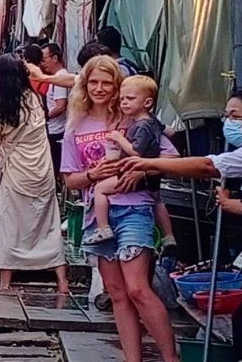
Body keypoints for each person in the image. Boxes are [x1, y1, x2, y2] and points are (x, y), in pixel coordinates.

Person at [123, 90, 242, 359]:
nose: (228, 121)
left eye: (235, 116)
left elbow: (206, 166)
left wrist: (150, 163)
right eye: (226, 115)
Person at [61, 56, 179, 362]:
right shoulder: (75, 125)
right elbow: (70, 180)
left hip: (134, 209)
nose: (100, 89)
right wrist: (91, 176)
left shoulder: (135, 119)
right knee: (116, 292)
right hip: (96, 215)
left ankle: (171, 357)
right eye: (93, 82)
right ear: (84, 85)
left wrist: (141, 171)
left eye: (107, 83)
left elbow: (171, 158)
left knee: (138, 288)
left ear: (117, 86)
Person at [0, 54, 68, 294]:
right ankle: (62, 280)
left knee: (12, 225)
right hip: (43, 171)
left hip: (17, 173)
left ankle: (5, 282)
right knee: (49, 223)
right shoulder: (37, 101)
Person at [83, 75, 163, 246]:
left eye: (130, 99)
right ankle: (168, 236)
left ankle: (103, 228)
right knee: (158, 201)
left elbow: (135, 152)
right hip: (148, 177)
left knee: (100, 189)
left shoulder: (141, 125)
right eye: (122, 99)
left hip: (136, 176)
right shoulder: (153, 122)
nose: (124, 103)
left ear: (147, 103)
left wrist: (119, 138)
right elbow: (168, 132)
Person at [40, 43, 69, 176]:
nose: (42, 63)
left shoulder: (60, 79)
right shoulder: (57, 77)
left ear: (55, 58)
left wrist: (44, 117)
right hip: (54, 128)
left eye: (44, 59)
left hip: (57, 131)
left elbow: (60, 105)